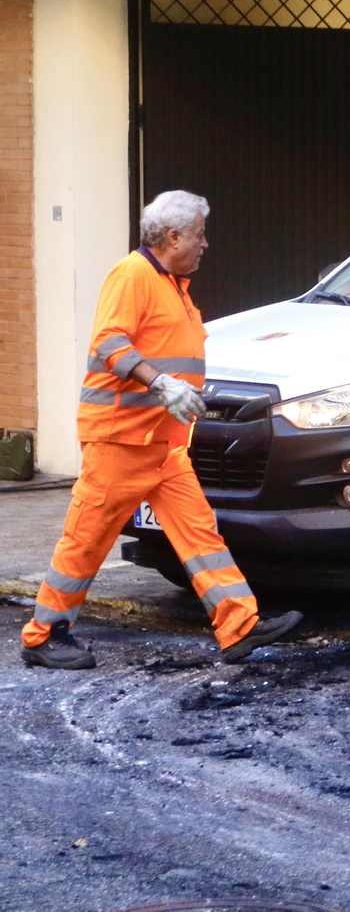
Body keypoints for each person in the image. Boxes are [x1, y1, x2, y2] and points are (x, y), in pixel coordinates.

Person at [20, 190, 302, 669]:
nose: (205, 244)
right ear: (173, 236)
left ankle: (238, 624)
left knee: (199, 532)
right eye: (199, 234)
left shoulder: (170, 283)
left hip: (160, 442)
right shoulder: (133, 275)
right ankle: (43, 634)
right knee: (88, 537)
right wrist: (160, 382)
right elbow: (109, 341)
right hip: (121, 439)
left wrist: (176, 390)